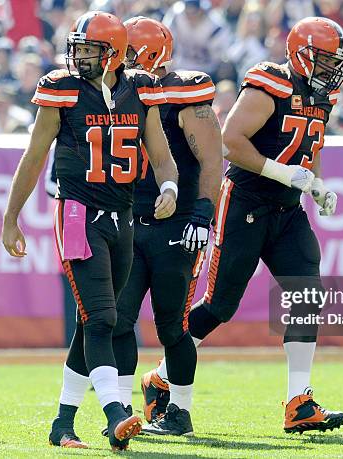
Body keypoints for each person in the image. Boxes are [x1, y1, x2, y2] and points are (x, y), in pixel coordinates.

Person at [144, 16, 343, 434]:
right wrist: (282, 172)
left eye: (336, 62)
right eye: (325, 60)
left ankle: (299, 401)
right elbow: (232, 143)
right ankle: (161, 377)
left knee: (307, 292)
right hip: (246, 202)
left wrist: (316, 183)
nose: (332, 70)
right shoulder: (269, 82)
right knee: (220, 305)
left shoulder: (322, 96)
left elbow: (311, 145)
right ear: (301, 54)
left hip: (287, 208)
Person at [1, 11, 178, 451]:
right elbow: (35, 154)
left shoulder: (140, 88)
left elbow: (159, 148)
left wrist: (170, 184)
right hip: (78, 214)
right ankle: (116, 412)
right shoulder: (63, 88)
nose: (79, 57)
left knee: (93, 323)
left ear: (114, 54)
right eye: (76, 48)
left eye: (89, 50)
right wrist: (11, 217)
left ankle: (62, 424)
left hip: (123, 217)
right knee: (102, 318)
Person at [108, 16, 222, 436]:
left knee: (172, 325)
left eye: (117, 49)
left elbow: (213, 158)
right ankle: (119, 411)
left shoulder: (184, 91)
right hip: (128, 223)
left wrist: (202, 212)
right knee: (120, 319)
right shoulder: (106, 94)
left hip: (176, 225)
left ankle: (180, 412)